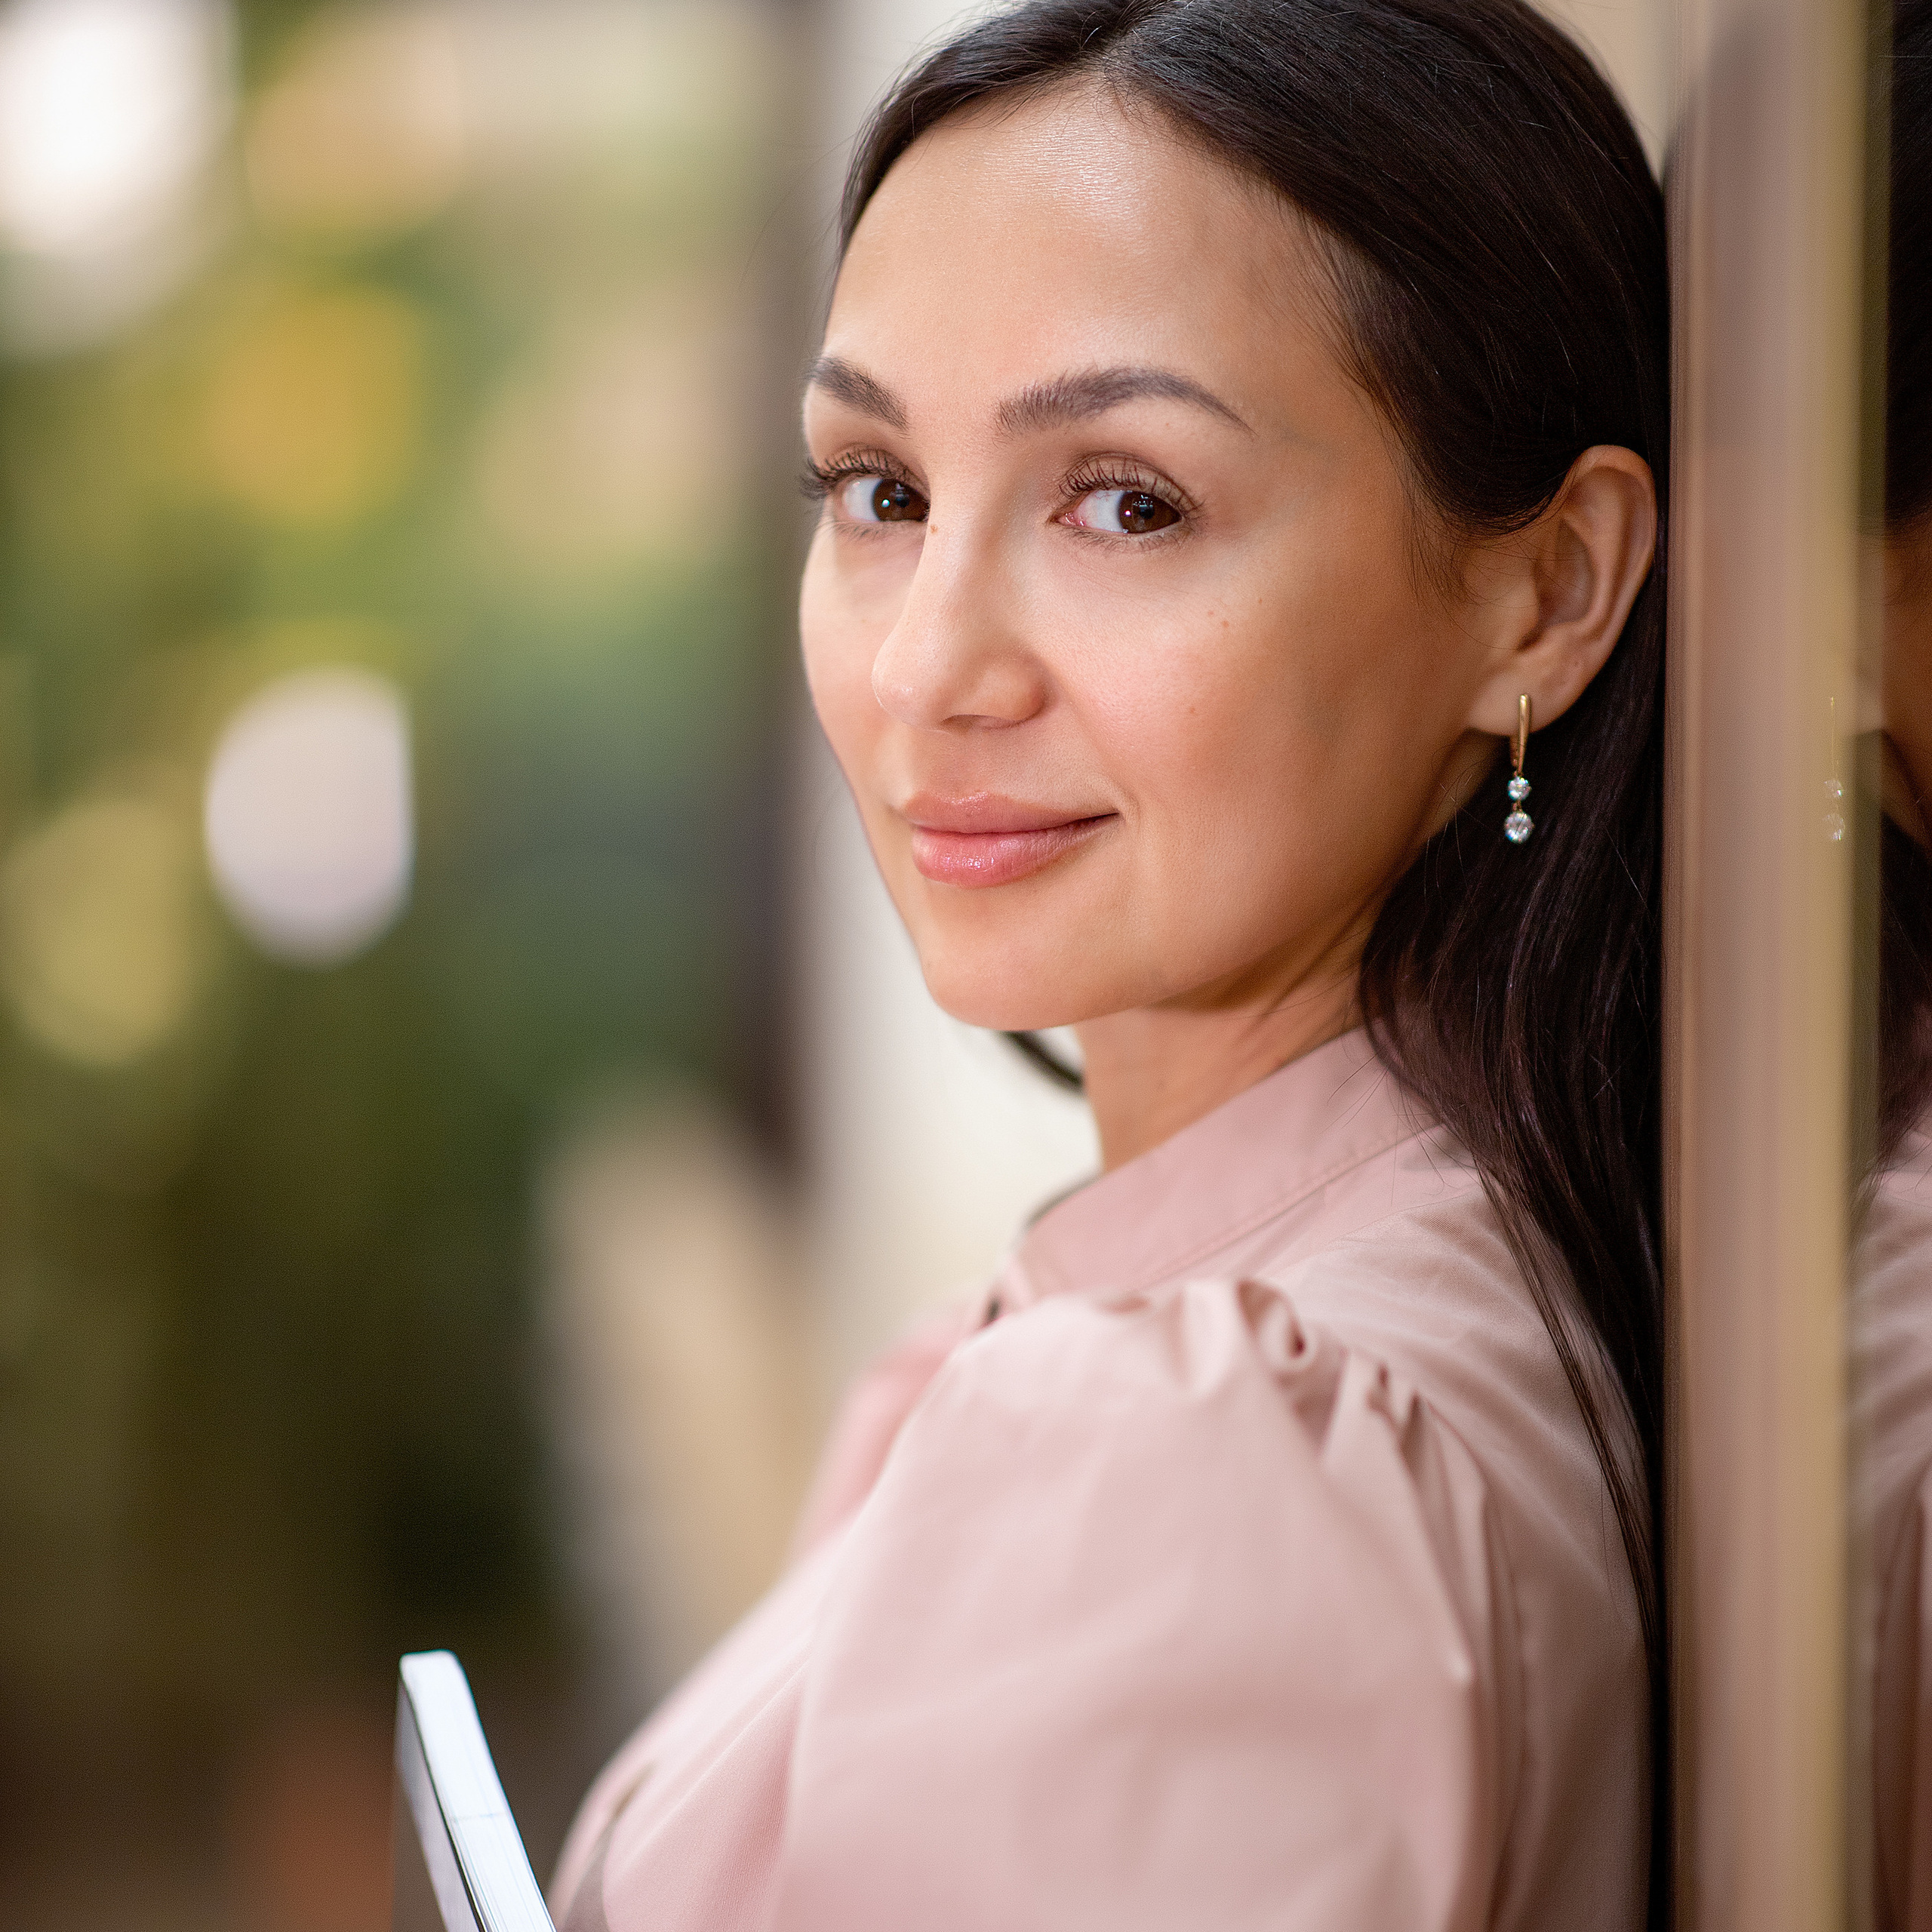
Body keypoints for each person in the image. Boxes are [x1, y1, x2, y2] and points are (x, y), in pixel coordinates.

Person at [553, 2, 1669, 1926]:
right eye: (879, 489)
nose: (924, 667)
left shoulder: (1211, 1453)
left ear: (1545, 588)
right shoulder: (1404, 1294)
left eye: (1124, 501)